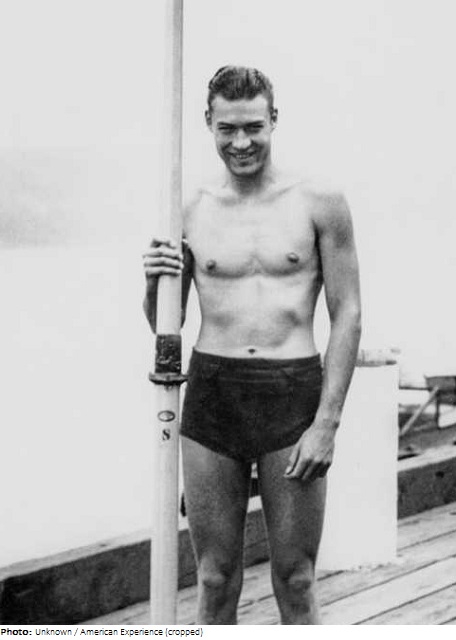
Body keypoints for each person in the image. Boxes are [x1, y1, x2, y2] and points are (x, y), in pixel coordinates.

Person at [143, 66, 361, 625]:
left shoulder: (319, 201)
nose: (241, 142)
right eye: (227, 129)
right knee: (215, 579)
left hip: (292, 394)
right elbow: (167, 324)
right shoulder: (188, 207)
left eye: (253, 127)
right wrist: (153, 282)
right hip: (214, 394)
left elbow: (348, 314)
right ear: (208, 124)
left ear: (274, 120)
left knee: (296, 578)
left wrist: (327, 423)